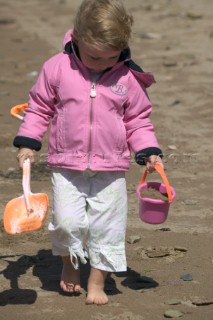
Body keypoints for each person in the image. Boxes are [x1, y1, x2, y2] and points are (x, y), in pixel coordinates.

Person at [13, 0, 163, 305]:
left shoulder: (127, 78)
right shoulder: (57, 68)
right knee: (68, 222)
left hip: (111, 169)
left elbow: (137, 119)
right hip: (66, 164)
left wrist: (148, 150)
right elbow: (39, 108)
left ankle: (97, 280)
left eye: (111, 58)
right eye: (94, 56)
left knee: (106, 227)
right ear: (77, 40)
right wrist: (28, 142)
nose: (102, 64)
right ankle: (70, 265)